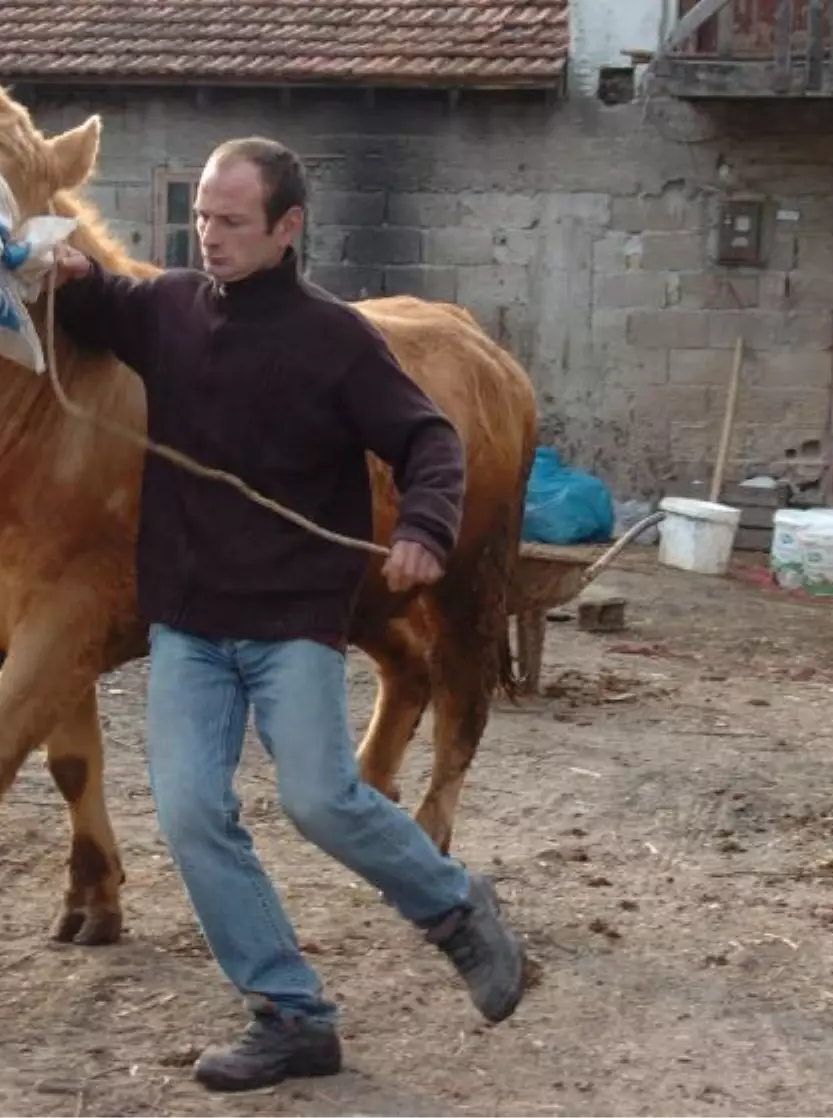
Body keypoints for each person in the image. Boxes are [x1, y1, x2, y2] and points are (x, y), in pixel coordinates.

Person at [49, 136, 525, 1093]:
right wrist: (53, 267)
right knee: (190, 813)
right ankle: (291, 1013)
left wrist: (427, 526)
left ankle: (455, 909)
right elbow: (93, 297)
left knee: (320, 798)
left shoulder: (335, 340)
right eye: (201, 220)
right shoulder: (170, 308)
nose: (210, 237)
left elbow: (428, 438)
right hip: (188, 623)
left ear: (287, 228)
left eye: (231, 223)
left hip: (291, 619)